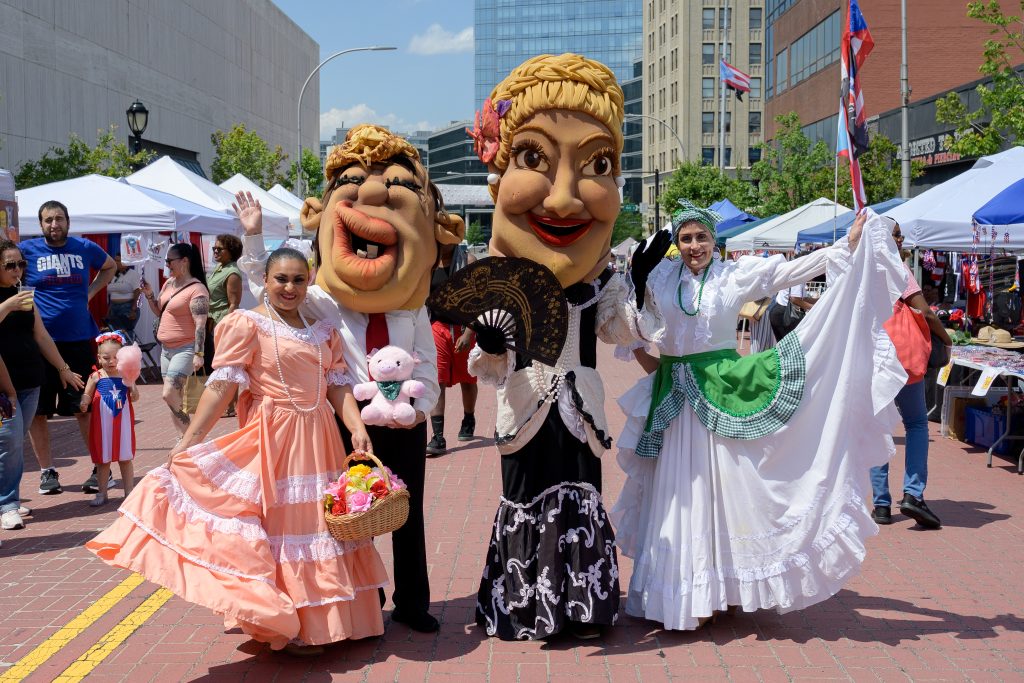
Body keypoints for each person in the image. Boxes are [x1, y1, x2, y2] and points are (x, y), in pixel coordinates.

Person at [612, 203, 907, 631]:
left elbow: (788, 273)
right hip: (673, 402)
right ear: (677, 242)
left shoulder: (734, 276)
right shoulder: (660, 278)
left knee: (725, 494)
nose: (694, 246)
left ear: (715, 242)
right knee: (676, 494)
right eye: (687, 238)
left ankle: (721, 589)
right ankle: (681, 592)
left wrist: (846, 245)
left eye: (702, 238)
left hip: (721, 395)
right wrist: (645, 343)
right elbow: (636, 326)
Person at [87, 247, 387, 655]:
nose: (290, 287)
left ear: (308, 282)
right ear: (264, 280)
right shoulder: (246, 324)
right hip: (274, 440)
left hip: (321, 439)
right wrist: (190, 438)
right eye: (281, 279)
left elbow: (337, 386)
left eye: (298, 280)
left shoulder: (322, 330)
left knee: (322, 526)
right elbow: (220, 387)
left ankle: (333, 620)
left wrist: (355, 426)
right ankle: (290, 622)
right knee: (284, 528)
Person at [235, 124, 465, 634]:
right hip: (349, 421)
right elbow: (267, 289)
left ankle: (412, 601)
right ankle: (364, 596)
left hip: (404, 422)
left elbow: (427, 362)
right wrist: (253, 235)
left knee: (408, 511)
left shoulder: (413, 306)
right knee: (347, 512)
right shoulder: (325, 302)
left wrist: (418, 410)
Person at [466, 53, 633, 640]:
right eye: (532, 156)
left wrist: (642, 284)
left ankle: (579, 606)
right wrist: (491, 339)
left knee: (581, 494)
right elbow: (487, 366)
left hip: (580, 406)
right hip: (523, 403)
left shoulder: (600, 288)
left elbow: (625, 336)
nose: (562, 201)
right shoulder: (499, 285)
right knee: (524, 495)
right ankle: (521, 604)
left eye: (597, 164)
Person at [19, 200, 115, 496]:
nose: (54, 224)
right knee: (39, 412)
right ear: (41, 224)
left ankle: (101, 469)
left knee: (83, 407)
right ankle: (48, 471)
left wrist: (90, 292)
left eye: (59, 218)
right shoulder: (27, 251)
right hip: (38, 343)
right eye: (48, 220)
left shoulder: (84, 247)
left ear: (68, 221)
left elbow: (110, 266)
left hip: (76, 341)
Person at [870, 218, 950, 530]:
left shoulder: (860, 270)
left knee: (878, 429)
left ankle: (880, 504)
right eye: (896, 235)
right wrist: (946, 337)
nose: (901, 240)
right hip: (902, 359)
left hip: (873, 360)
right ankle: (913, 494)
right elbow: (925, 312)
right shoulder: (898, 270)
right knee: (916, 424)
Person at [0, 239, 85, 529]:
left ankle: (8, 499)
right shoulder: (10, 299)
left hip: (30, 380)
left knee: (12, 443)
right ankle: (7, 504)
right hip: (3, 384)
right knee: (9, 441)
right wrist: (7, 306)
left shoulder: (23, 294)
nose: (17, 270)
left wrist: (63, 368)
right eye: (10, 265)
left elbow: (41, 335)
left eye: (21, 264)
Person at [140, 243, 209, 435]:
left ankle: (191, 436)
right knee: (174, 398)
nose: (167, 264)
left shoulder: (197, 289)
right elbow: (158, 311)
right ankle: (183, 440)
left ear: (184, 261)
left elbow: (200, 324)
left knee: (169, 394)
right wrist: (150, 295)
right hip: (166, 350)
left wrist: (199, 353)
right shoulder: (169, 283)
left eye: (170, 261)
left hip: (185, 349)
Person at [425, 242, 478, 456]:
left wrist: (469, 333)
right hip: (437, 327)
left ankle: (469, 417)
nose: (444, 241)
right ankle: (438, 437)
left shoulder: (468, 260)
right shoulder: (428, 262)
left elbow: (478, 301)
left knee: (468, 380)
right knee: (438, 381)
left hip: (464, 325)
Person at [80, 332, 139, 508]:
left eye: (116, 357)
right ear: (99, 358)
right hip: (102, 425)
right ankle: (102, 492)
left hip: (123, 424)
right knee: (103, 460)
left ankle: (129, 492)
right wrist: (84, 401)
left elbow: (135, 397)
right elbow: (87, 394)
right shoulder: (96, 376)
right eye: (106, 358)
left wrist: (133, 385)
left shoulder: (125, 375)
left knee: (125, 458)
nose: (111, 361)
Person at [105, 255, 142, 339]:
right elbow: (112, 295)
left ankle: (129, 351)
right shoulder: (113, 275)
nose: (116, 263)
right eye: (115, 260)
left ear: (126, 263)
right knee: (114, 335)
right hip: (114, 308)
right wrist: (109, 310)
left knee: (126, 334)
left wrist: (133, 309)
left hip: (127, 307)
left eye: (119, 261)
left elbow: (137, 291)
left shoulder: (133, 274)